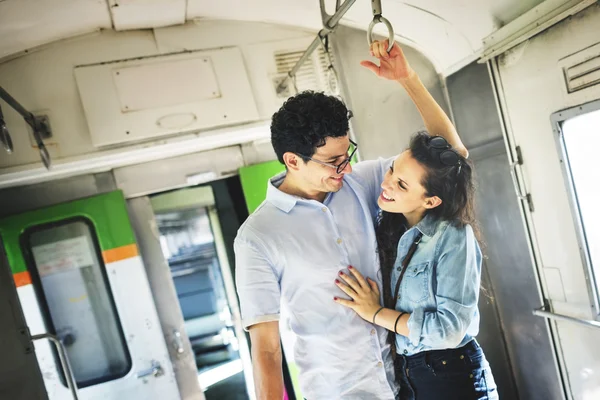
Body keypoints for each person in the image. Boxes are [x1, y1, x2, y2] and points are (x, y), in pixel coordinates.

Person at [234, 39, 466, 399]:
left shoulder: (360, 181)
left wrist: (407, 79)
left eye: (348, 154)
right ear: (293, 160)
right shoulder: (257, 237)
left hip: (407, 380)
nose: (346, 166)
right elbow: (265, 350)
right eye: (332, 161)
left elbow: (452, 157)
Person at [333, 131, 499, 399]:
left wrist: (375, 313)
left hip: (452, 374)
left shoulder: (453, 236)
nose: (386, 185)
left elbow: (448, 330)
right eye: (391, 171)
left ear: (431, 201)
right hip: (410, 375)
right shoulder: (391, 226)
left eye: (401, 185)